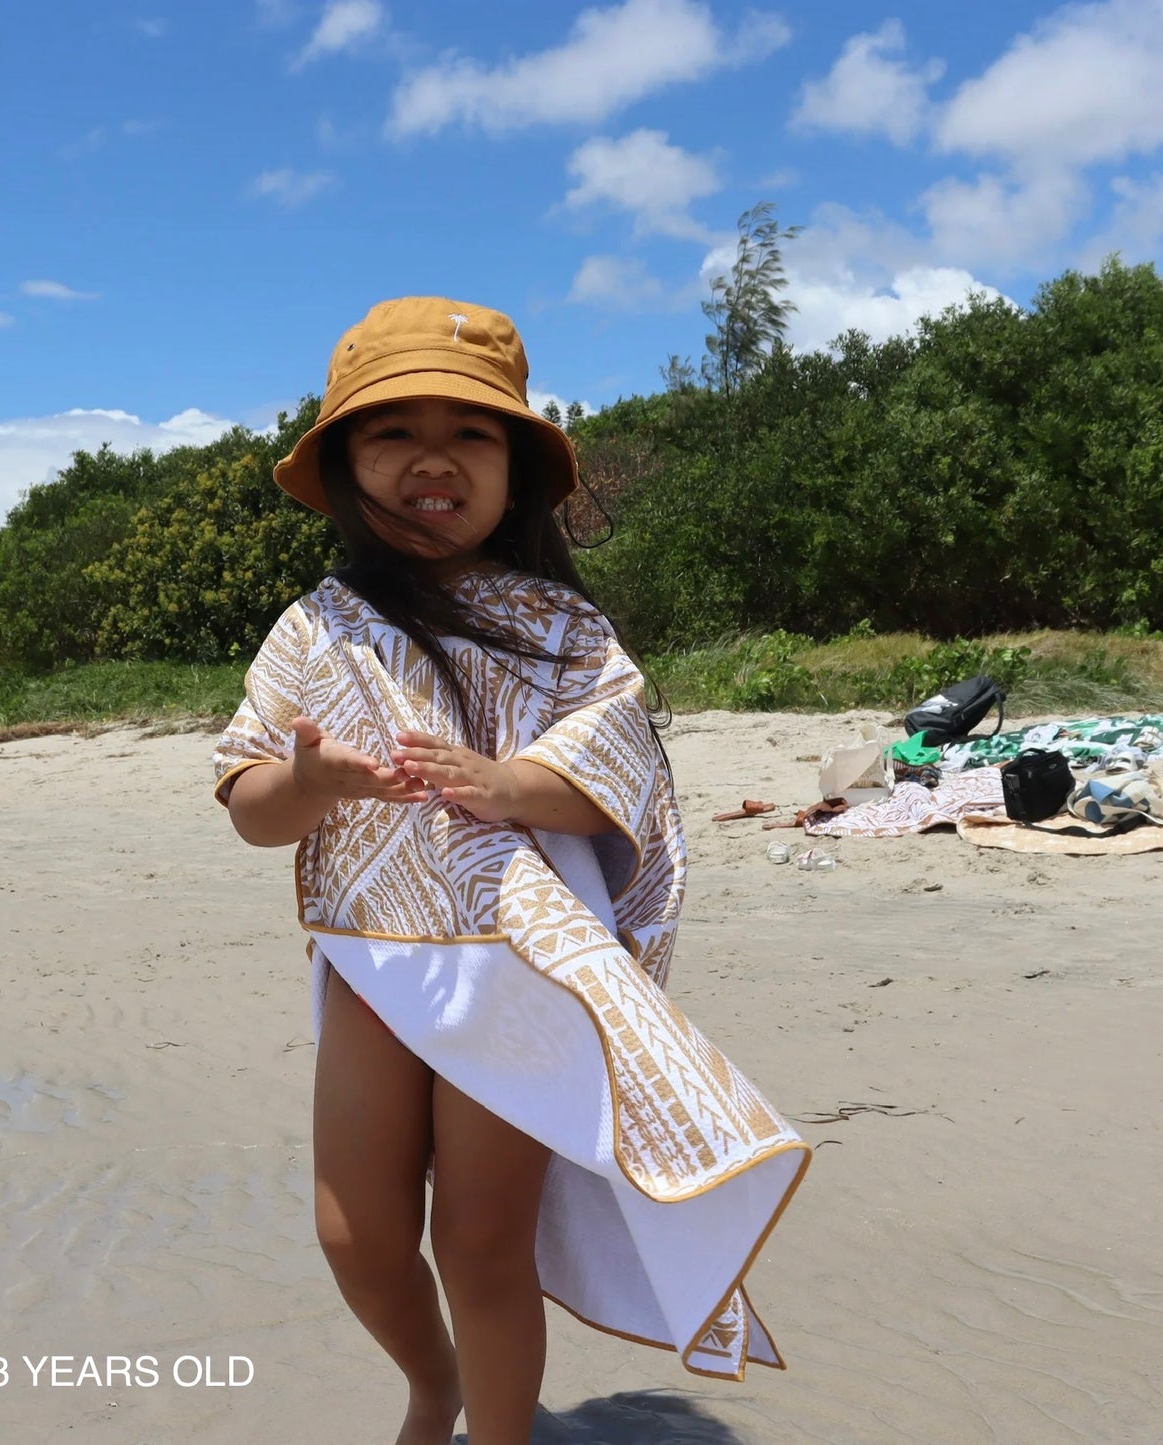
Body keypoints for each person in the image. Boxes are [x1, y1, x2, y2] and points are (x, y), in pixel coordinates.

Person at [212, 297, 808, 1445]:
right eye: (391, 432)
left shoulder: (560, 628)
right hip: (376, 950)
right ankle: (431, 1389)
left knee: (481, 1239)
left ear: (516, 471)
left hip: (520, 957)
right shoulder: (313, 628)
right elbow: (250, 806)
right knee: (357, 1230)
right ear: (341, 465)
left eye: (470, 433)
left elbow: (621, 774)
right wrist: (312, 781)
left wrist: (506, 784)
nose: (431, 457)